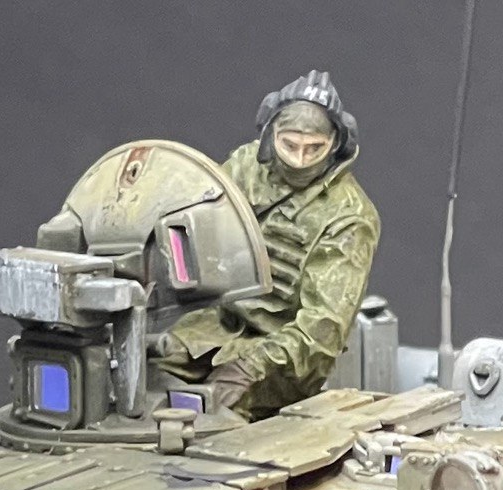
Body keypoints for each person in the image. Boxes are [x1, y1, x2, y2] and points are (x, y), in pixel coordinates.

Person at [155, 71, 380, 420]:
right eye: (289, 145)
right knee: (148, 370)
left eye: (314, 148)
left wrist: (252, 366)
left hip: (289, 356)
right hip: (218, 323)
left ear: (336, 144)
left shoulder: (349, 216)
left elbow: (322, 328)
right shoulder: (245, 168)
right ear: (271, 134)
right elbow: (193, 223)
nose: (300, 159)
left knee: (215, 409)